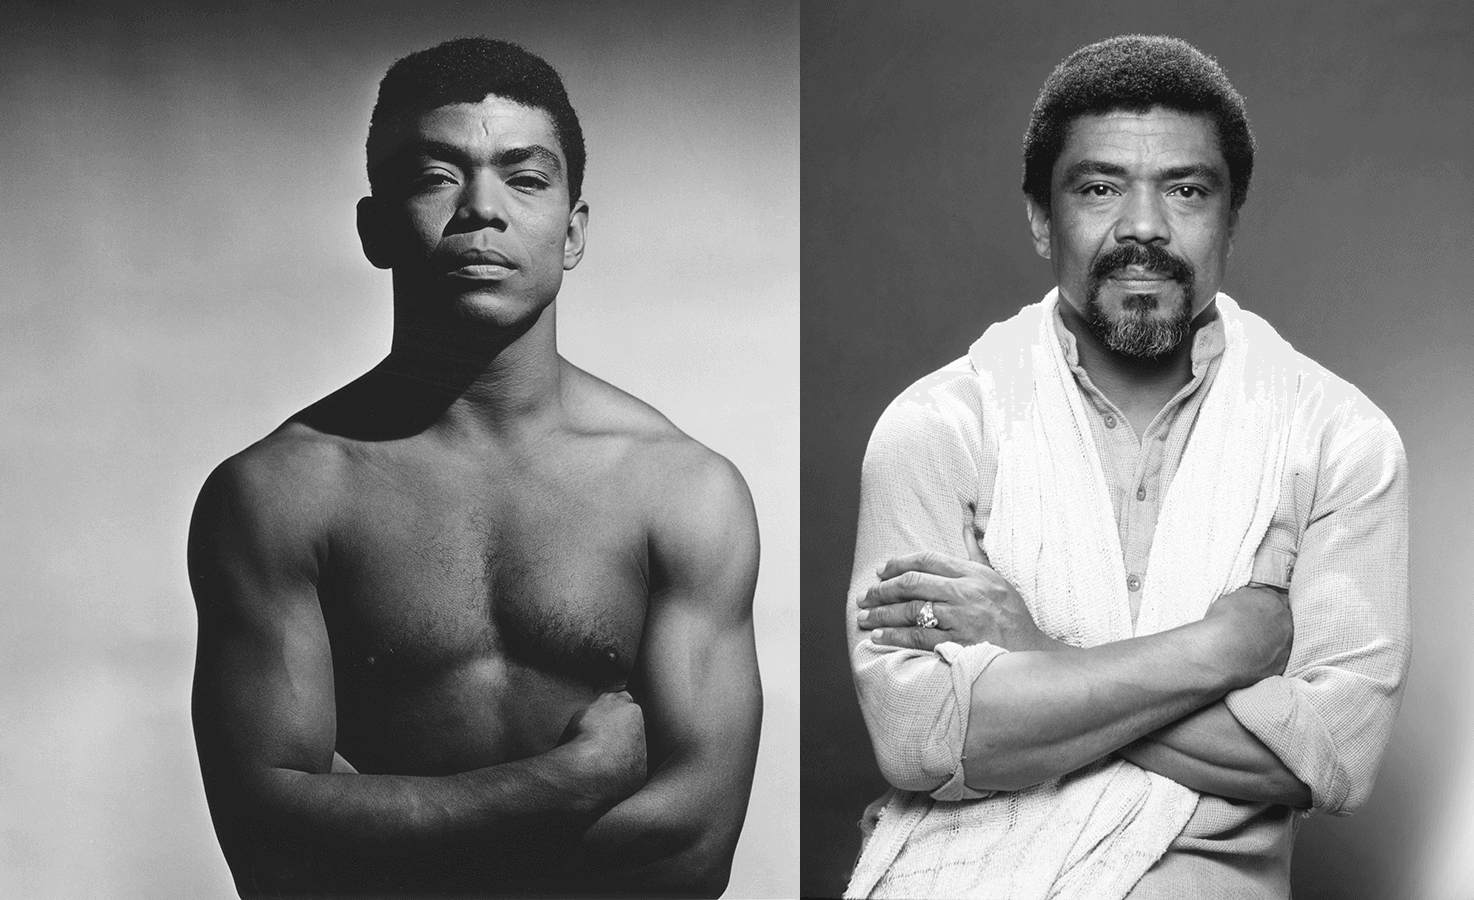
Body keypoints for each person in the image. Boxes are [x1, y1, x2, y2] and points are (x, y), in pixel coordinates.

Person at [189, 37, 761, 898]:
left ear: (572, 232)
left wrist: (378, 831)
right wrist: (570, 783)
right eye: (435, 176)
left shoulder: (681, 491)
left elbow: (693, 852)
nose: (482, 209)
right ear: (376, 228)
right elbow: (278, 858)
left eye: (526, 178)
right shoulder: (276, 497)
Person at [845, 34, 1408, 899]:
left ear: (1229, 218)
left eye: (1186, 191)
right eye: (1100, 187)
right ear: (1042, 218)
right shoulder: (935, 429)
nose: (1144, 226)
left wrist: (1034, 652)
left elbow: (1332, 757)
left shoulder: (1339, 441)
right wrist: (1224, 649)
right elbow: (923, 737)